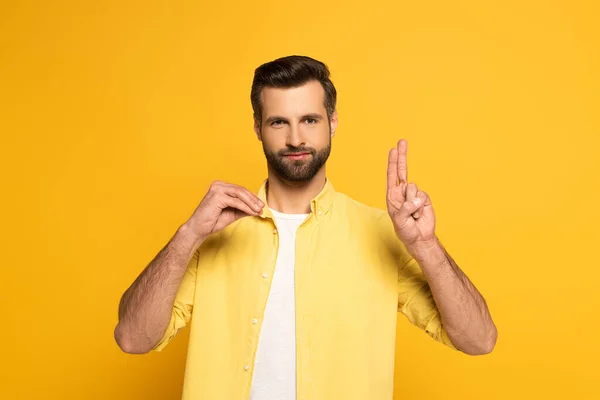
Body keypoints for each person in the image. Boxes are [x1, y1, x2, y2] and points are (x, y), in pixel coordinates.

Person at [114, 55, 497, 400]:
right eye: (279, 122)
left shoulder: (381, 233)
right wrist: (188, 236)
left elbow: (479, 340)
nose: (295, 138)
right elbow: (132, 338)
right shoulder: (213, 233)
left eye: (309, 120)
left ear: (332, 122)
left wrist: (426, 246)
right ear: (258, 128)